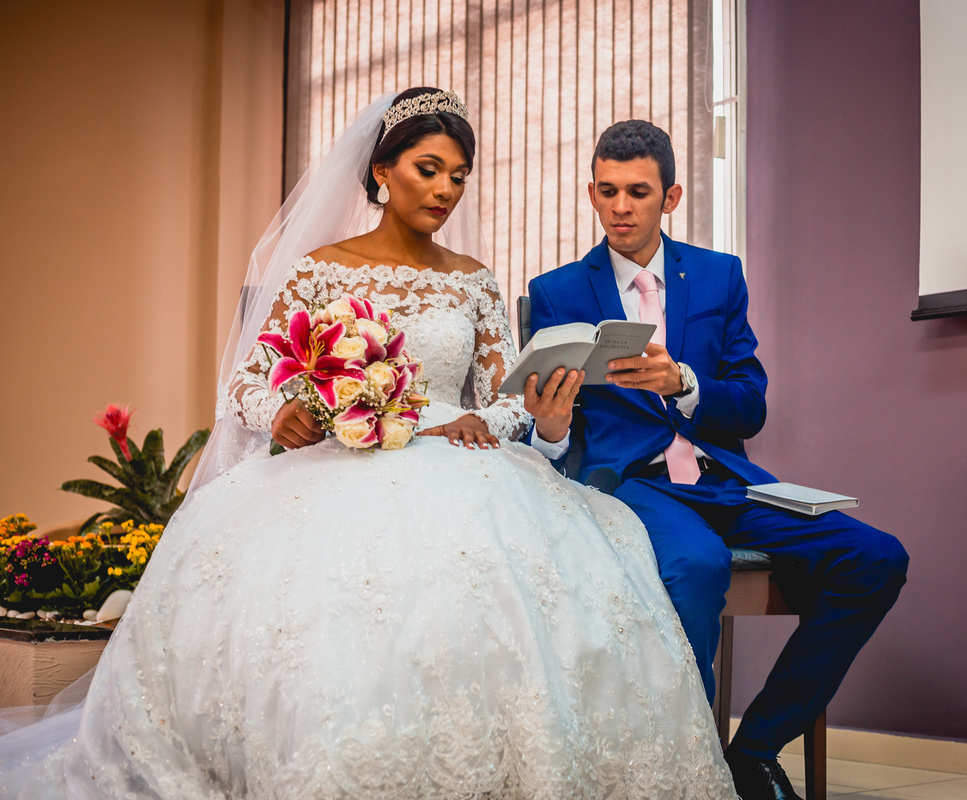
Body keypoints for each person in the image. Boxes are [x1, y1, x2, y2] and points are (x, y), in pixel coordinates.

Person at [0, 91, 736, 799]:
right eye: (428, 169)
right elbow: (247, 383)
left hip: (464, 460)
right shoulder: (321, 270)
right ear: (383, 169)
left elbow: (507, 395)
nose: (445, 190)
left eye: (458, 176)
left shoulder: (474, 281)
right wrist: (285, 412)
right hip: (341, 459)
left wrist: (505, 419)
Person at [526, 120, 910, 800]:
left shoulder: (718, 275)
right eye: (607, 191)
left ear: (670, 197)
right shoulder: (555, 291)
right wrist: (548, 427)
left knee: (877, 557)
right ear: (591, 193)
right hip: (633, 485)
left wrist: (685, 384)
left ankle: (753, 749)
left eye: (638, 192)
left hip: (727, 481)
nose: (620, 207)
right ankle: (693, 767)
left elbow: (750, 406)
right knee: (698, 567)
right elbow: (556, 430)